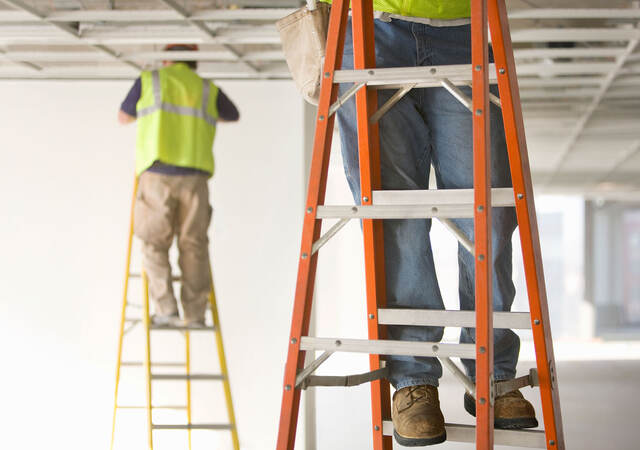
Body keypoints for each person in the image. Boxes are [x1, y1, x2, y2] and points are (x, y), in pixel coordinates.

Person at [320, 0, 538, 446]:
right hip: (369, 30)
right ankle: (413, 380)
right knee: (395, 218)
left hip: (465, 30)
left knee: (491, 214)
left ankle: (493, 374)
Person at [118, 44, 239, 328]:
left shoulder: (151, 80)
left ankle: (166, 310)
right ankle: (195, 315)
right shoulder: (206, 88)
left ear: (166, 58)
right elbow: (232, 115)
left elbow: (123, 117)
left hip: (157, 175)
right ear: (193, 61)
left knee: (153, 243)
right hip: (196, 179)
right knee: (194, 246)